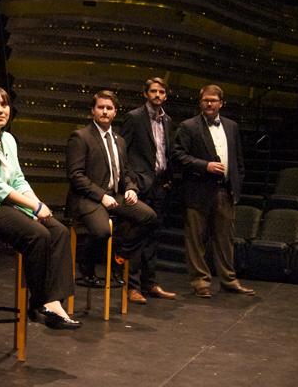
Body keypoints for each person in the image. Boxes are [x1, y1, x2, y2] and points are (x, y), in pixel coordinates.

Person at [0, 86, 80, 330]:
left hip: (2, 204)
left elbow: (18, 179)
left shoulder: (8, 139)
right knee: (37, 234)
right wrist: (33, 206)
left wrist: (39, 206)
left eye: (4, 105)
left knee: (58, 230)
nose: (0, 110)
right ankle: (40, 303)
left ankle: (54, 302)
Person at [66, 90, 158, 305]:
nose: (105, 111)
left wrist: (132, 188)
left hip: (115, 195)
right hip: (87, 197)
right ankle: (86, 265)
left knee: (149, 217)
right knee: (102, 231)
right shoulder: (80, 136)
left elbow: (126, 171)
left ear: (115, 112)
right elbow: (75, 176)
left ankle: (120, 253)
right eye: (101, 107)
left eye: (109, 108)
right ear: (93, 111)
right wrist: (101, 197)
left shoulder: (119, 140)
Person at [171, 84, 254, 298]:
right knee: (196, 240)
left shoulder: (232, 126)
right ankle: (200, 282)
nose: (209, 103)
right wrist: (204, 165)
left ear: (221, 103)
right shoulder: (188, 126)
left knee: (225, 239)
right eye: (206, 100)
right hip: (197, 190)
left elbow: (238, 160)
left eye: (213, 100)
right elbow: (178, 156)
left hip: (224, 191)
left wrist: (237, 184)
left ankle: (228, 279)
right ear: (200, 102)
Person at [118, 78, 177, 302]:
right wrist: (131, 181)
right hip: (140, 186)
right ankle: (132, 287)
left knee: (153, 237)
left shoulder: (168, 121)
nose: (157, 95)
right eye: (153, 91)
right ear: (145, 94)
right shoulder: (134, 117)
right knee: (136, 235)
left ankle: (149, 283)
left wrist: (168, 179)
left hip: (160, 185)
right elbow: (123, 150)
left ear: (166, 96)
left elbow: (165, 152)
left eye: (161, 92)